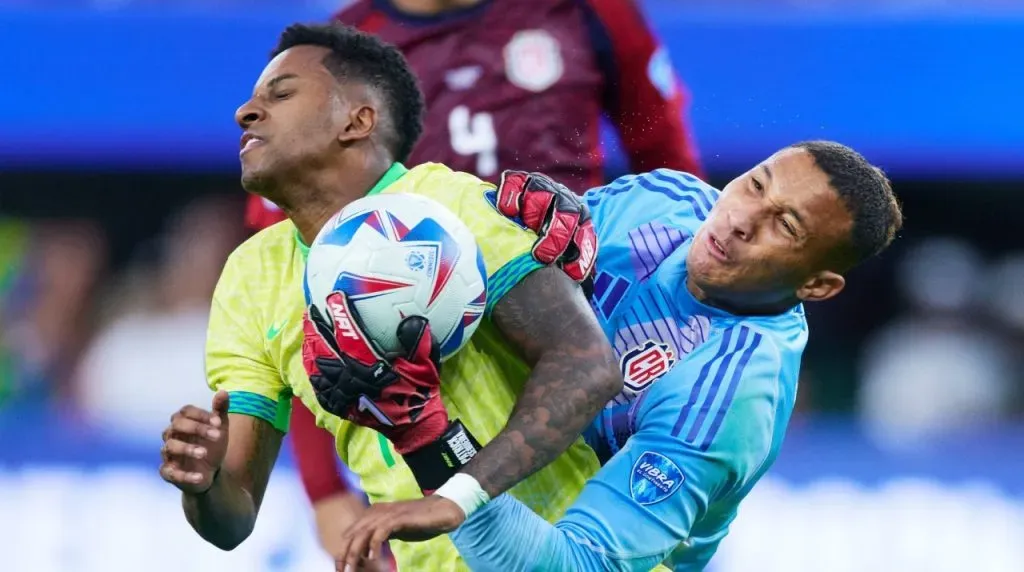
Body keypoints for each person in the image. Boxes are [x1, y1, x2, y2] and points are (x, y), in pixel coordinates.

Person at [157, 22, 621, 571]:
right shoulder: (250, 276)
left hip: (581, 556)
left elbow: (587, 365)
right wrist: (204, 483)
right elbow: (234, 520)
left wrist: (458, 496)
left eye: (280, 94)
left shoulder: (450, 207)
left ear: (358, 120)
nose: (245, 112)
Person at [245, 1, 701, 557]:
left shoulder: (593, 12)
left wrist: (706, 340)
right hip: (429, 385)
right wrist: (324, 492)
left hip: (585, 357)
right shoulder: (340, 55)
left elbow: (674, 181)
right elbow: (302, 290)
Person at [327, 141, 904, 571]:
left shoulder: (729, 398)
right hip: (504, 484)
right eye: (756, 184)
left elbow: (579, 564)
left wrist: (433, 448)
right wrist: (511, 225)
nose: (740, 219)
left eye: (786, 225)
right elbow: (522, 289)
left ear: (817, 287)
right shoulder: (662, 199)